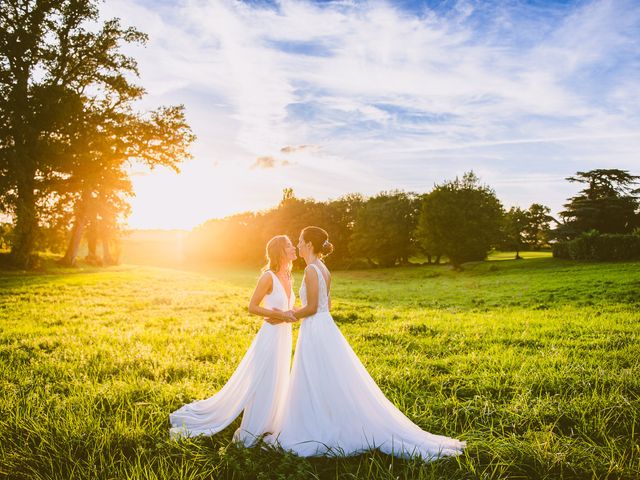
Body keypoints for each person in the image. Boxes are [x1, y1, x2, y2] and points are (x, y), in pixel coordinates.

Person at [267, 226, 466, 460]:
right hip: (325, 327)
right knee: (325, 376)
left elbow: (311, 308)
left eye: (300, 241)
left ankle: (318, 423)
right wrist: (298, 313)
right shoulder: (324, 268)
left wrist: (286, 315)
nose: (298, 245)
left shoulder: (311, 269)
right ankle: (325, 415)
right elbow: (326, 306)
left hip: (315, 330)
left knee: (314, 375)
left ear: (310, 244)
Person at [170, 235, 297, 445]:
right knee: (265, 379)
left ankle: (272, 422)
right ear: (280, 252)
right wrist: (280, 315)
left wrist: (290, 315)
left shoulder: (290, 275)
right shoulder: (268, 277)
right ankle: (256, 426)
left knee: (278, 378)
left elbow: (288, 309)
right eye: (289, 246)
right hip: (270, 336)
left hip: (284, 335)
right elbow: (252, 307)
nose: (293, 248)